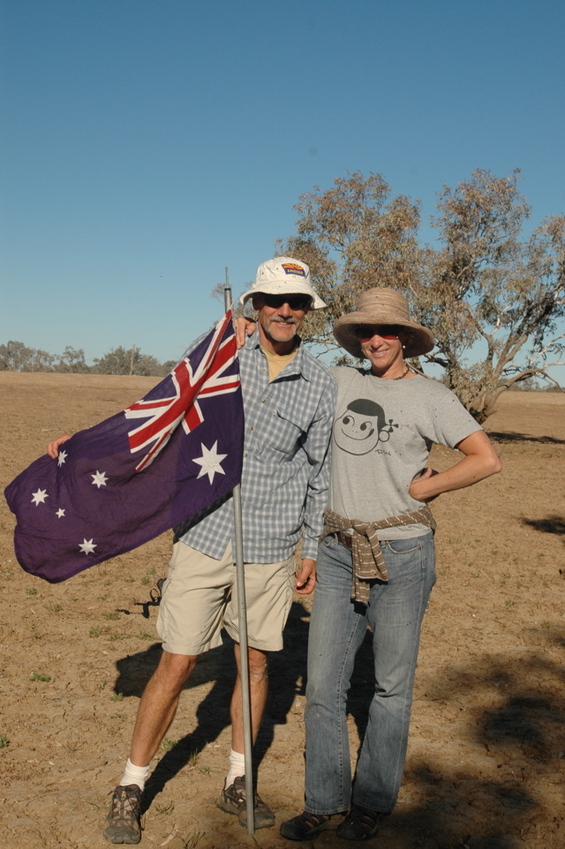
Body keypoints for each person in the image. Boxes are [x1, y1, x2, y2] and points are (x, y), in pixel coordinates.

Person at [47, 257, 336, 845]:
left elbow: (320, 469)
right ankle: (130, 785)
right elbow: (159, 414)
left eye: (297, 303)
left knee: (253, 665)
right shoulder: (220, 358)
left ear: (308, 313)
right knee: (176, 663)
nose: (286, 310)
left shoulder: (321, 380)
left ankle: (237, 779)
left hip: (272, 544)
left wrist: (308, 548)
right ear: (256, 303)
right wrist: (84, 449)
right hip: (205, 536)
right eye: (276, 300)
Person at [279, 287, 502, 842]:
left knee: (390, 686)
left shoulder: (432, 395)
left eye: (387, 332)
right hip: (335, 549)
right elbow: (282, 366)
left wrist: (430, 487)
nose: (375, 340)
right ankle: (323, 801)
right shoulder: (338, 381)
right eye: (366, 333)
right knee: (325, 684)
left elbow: (485, 457)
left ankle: (372, 803)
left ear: (406, 339)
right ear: (356, 339)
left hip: (401, 552)